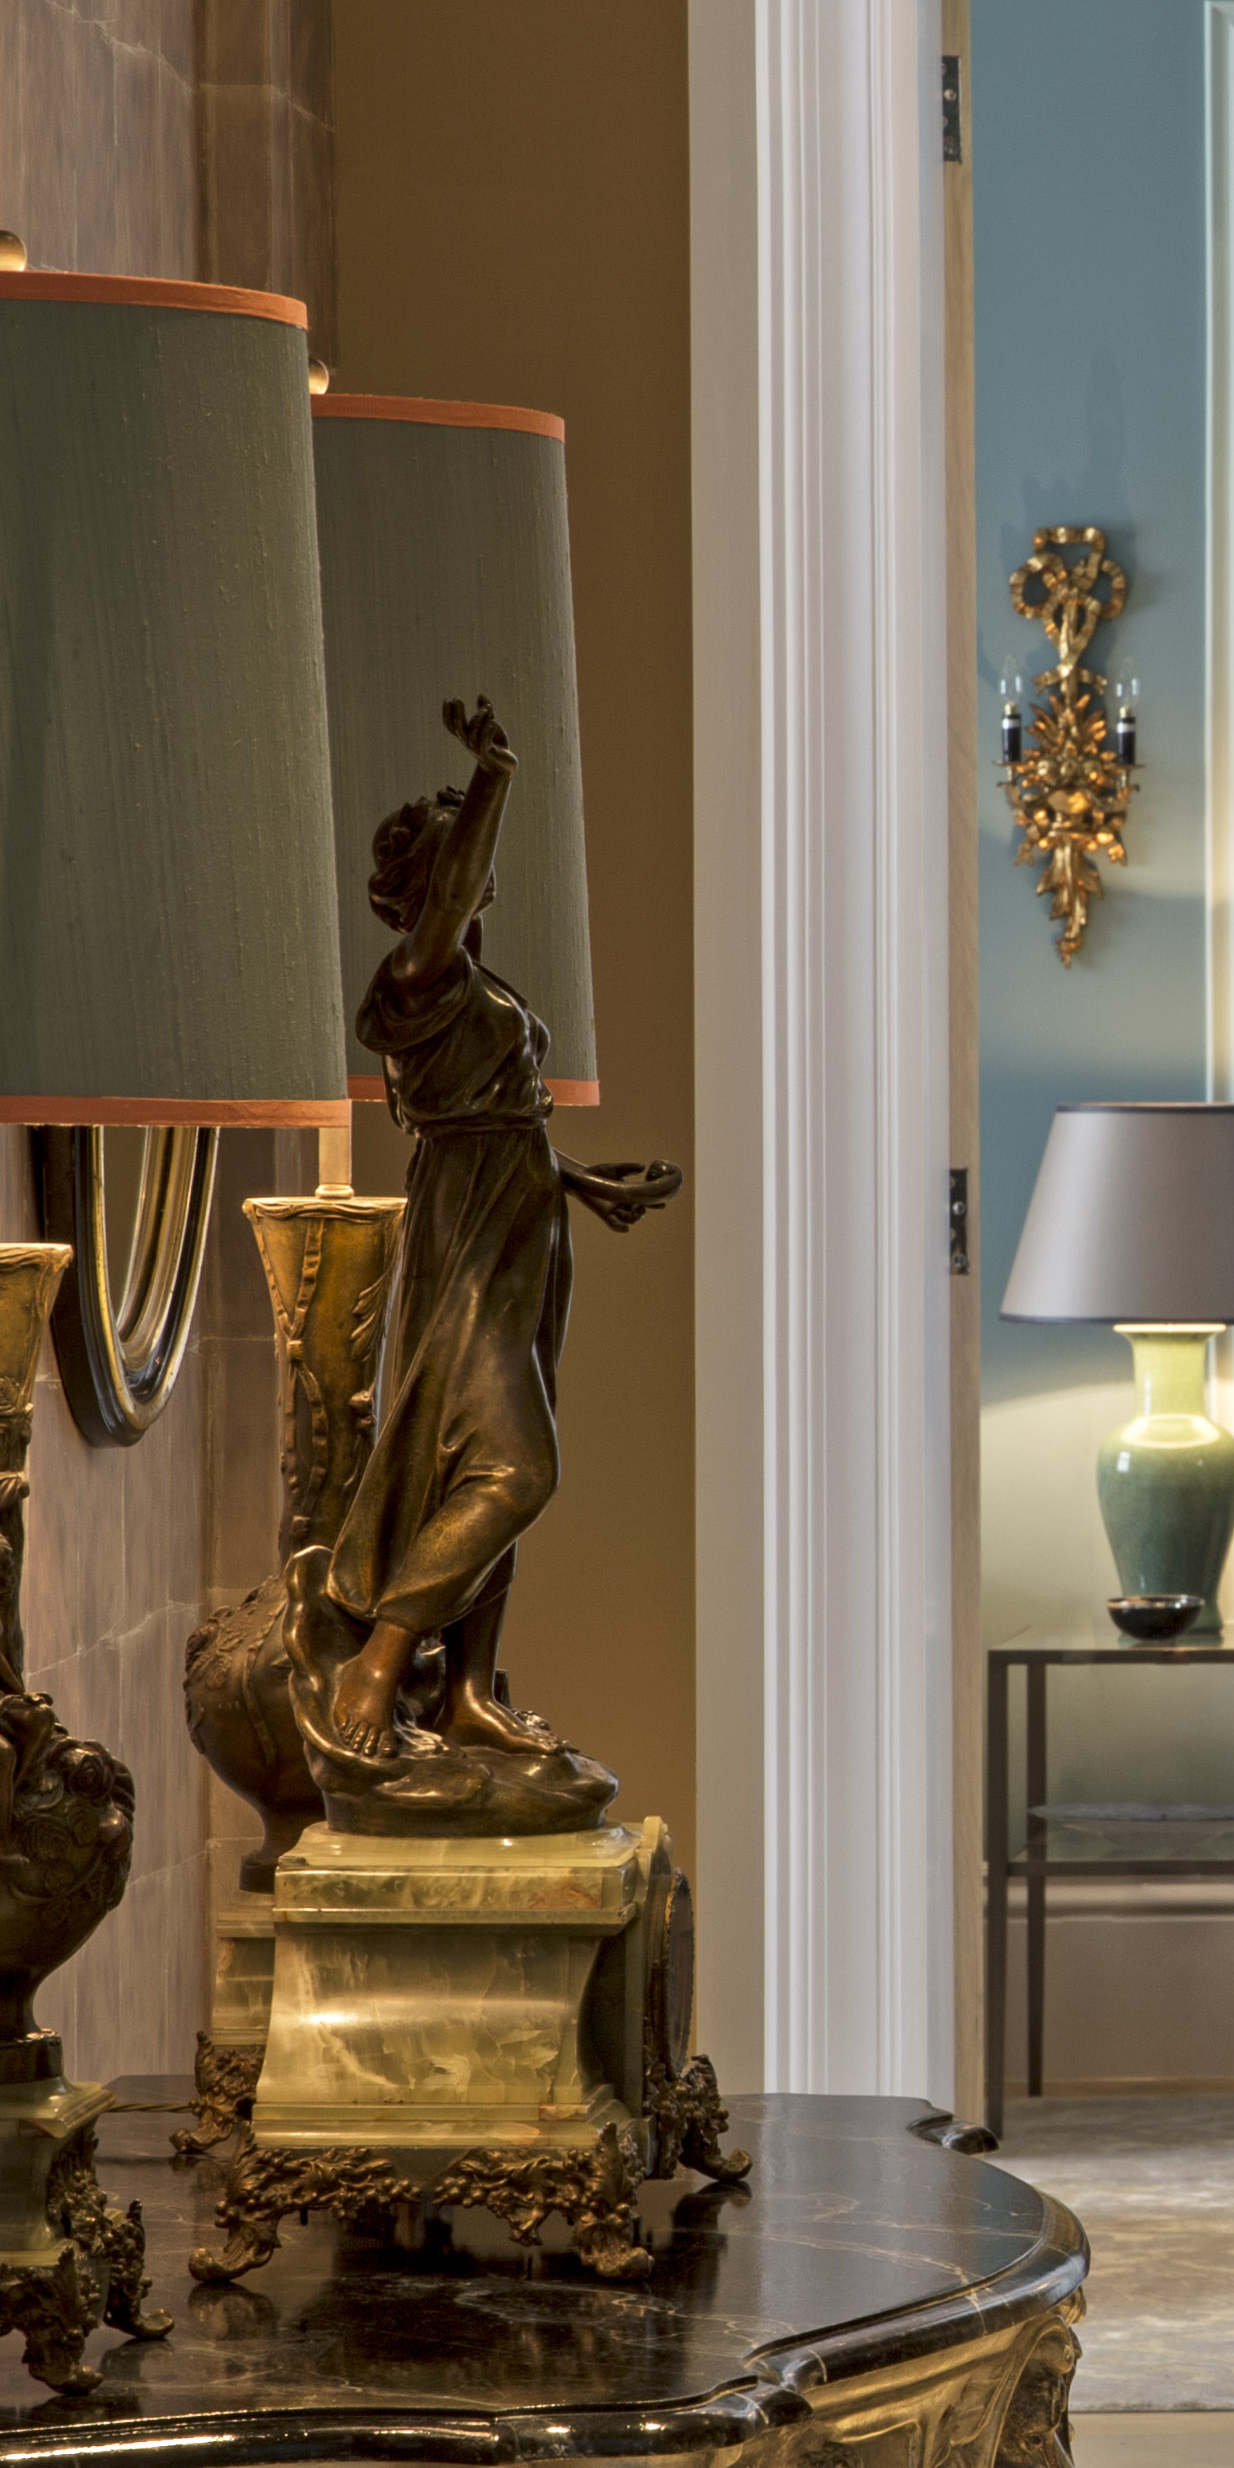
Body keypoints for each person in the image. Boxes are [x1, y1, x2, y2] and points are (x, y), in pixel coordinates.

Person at [313, 696, 684, 1807]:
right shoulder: (421, 983)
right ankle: (382, 1666)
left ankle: (468, 1688)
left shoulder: (473, 984)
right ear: (434, 894)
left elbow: (501, 1116)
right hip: (473, 1226)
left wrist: (582, 1181)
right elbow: (470, 1126)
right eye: (460, 876)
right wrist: (496, 779)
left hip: (521, 1219)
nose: (478, 890)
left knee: (484, 1457)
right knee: (509, 1466)